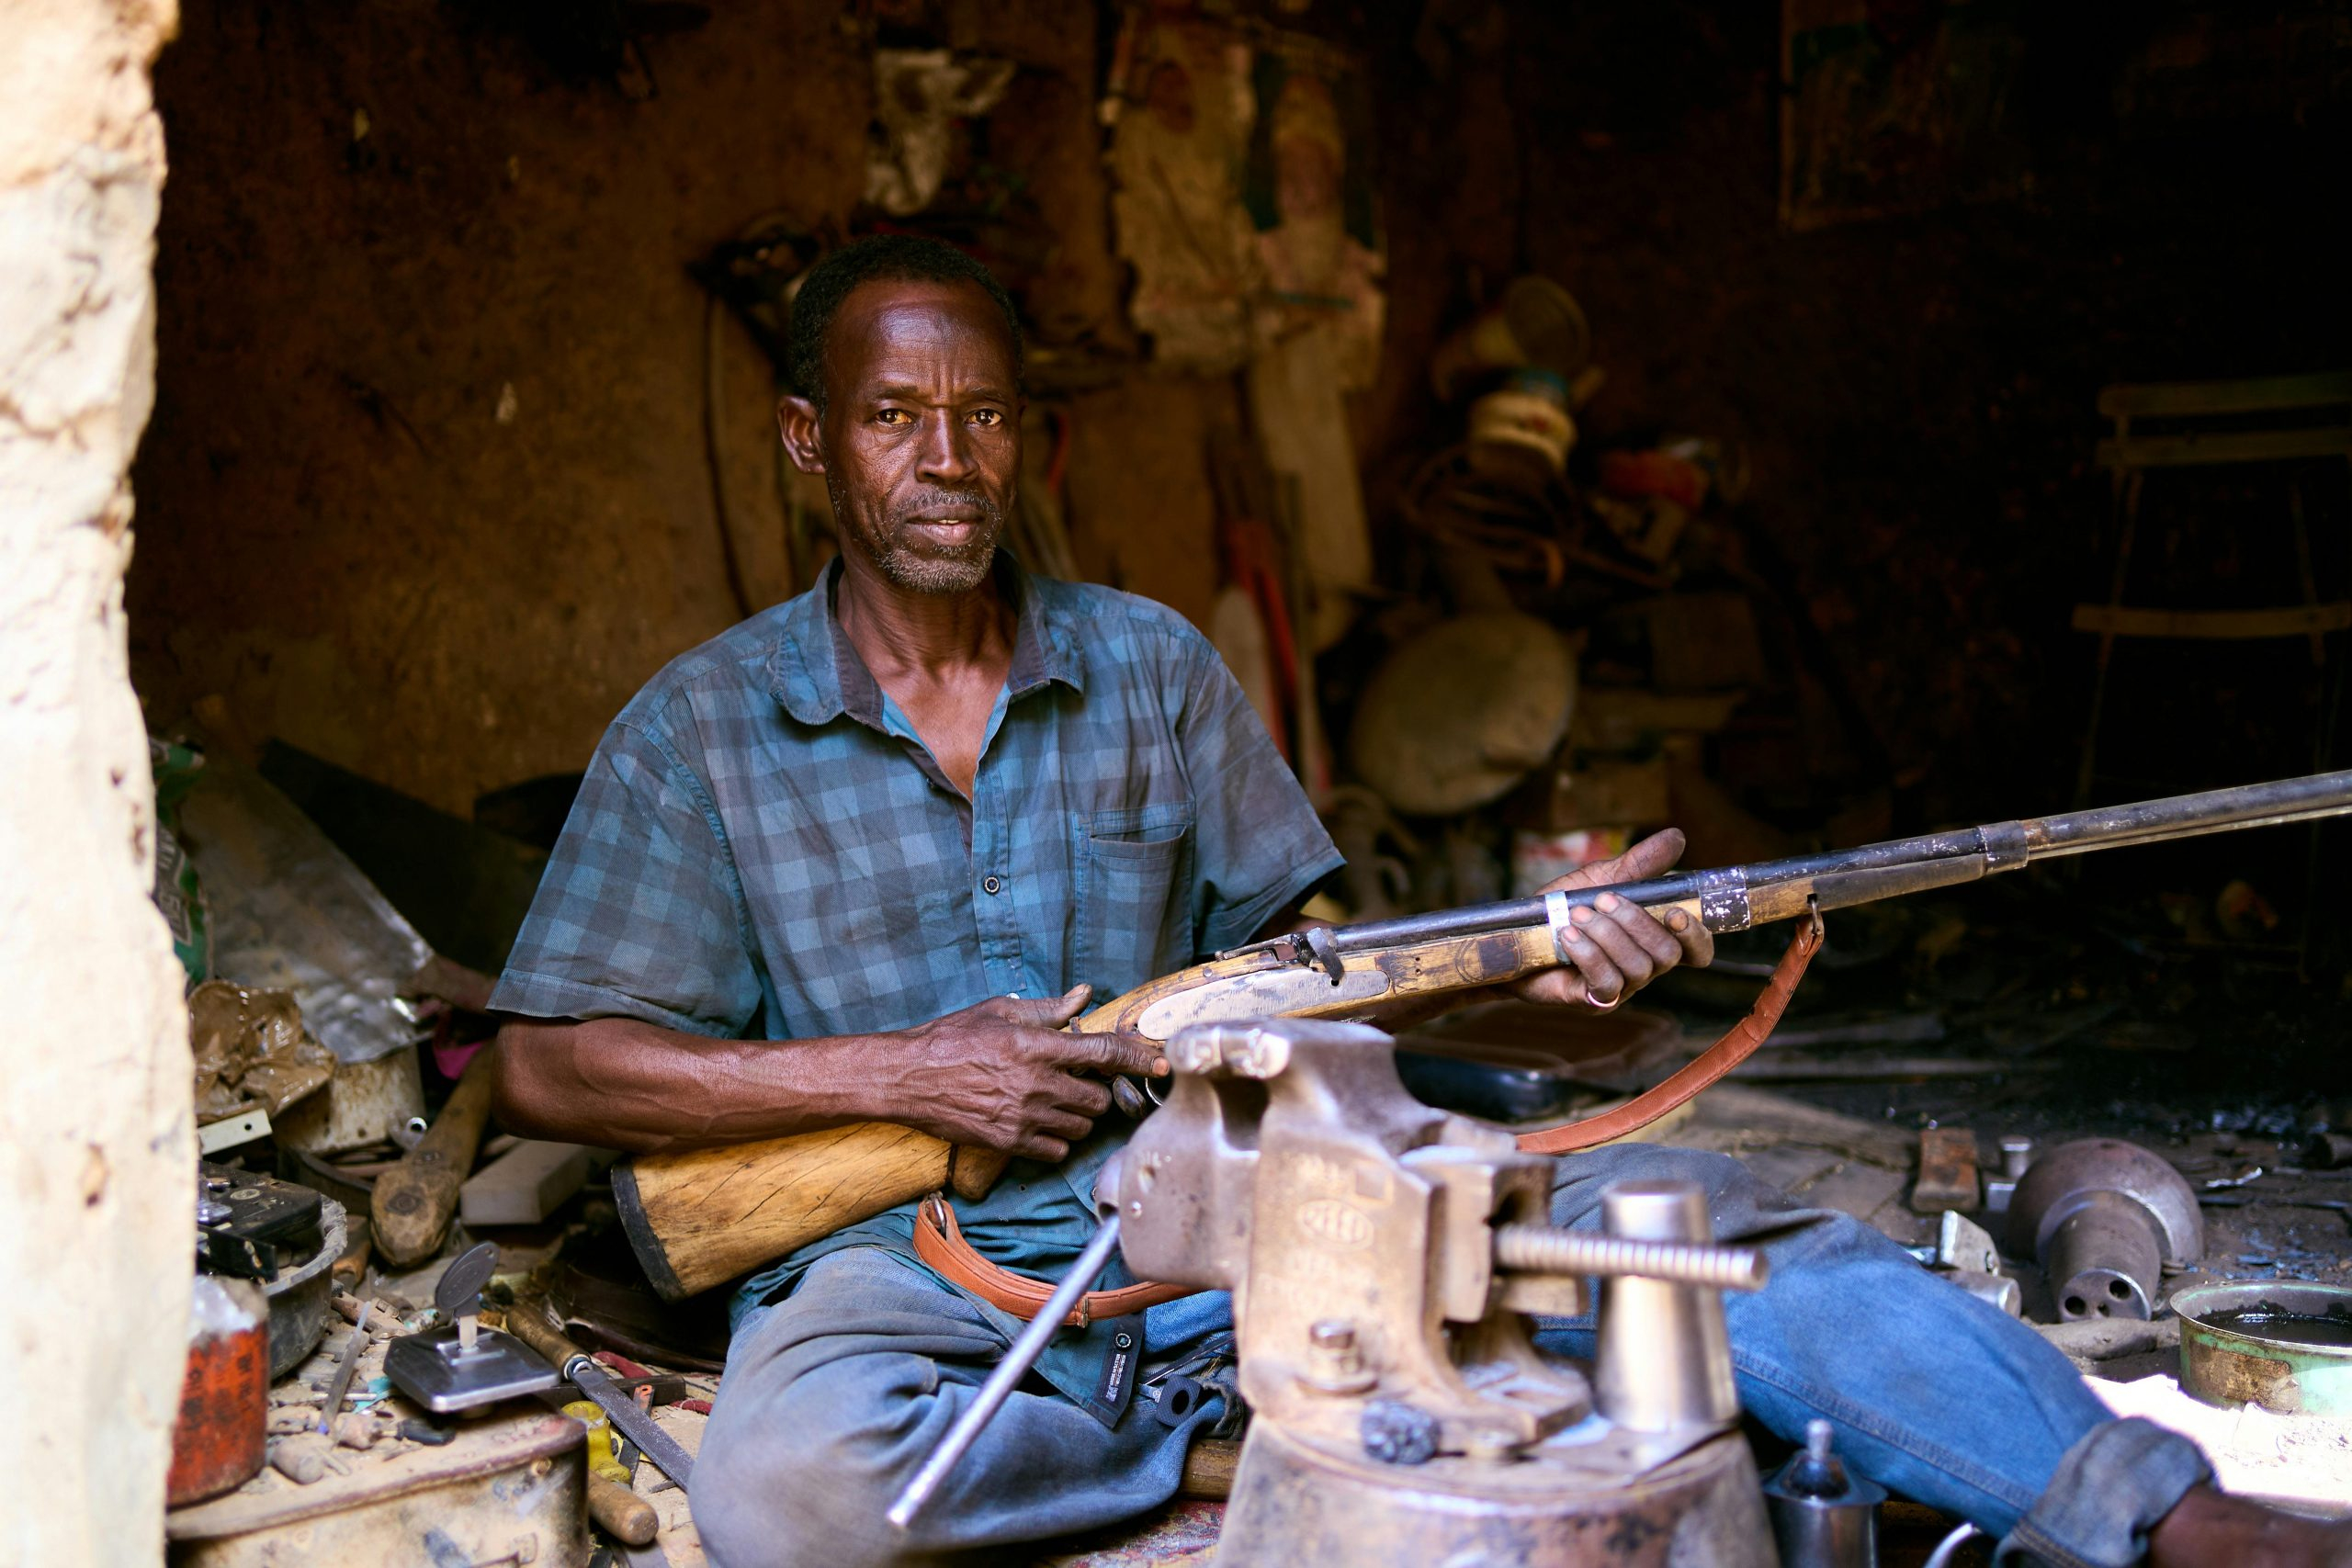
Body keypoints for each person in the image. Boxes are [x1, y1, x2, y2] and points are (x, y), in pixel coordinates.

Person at [490, 235, 2348, 1568]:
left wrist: (1564, 988)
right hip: (917, 1279)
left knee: (1718, 1236)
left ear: (1025, 438)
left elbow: (1350, 996)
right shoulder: (701, 728)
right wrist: (914, 1075)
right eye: (896, 419)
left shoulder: (1144, 666)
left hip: (1264, 1223)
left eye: (983, 417)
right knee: (786, 1493)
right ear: (814, 444)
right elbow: (555, 1070)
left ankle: (2152, 1506)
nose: (947, 461)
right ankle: (1267, 1453)